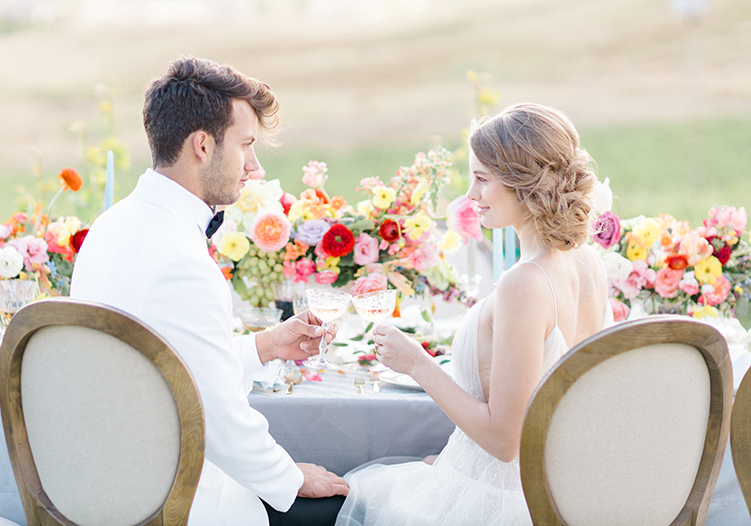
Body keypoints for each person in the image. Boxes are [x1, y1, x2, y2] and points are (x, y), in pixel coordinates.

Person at [71, 56, 350, 526]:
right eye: (245, 145)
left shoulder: (111, 226)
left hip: (103, 490)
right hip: (177, 503)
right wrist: (289, 478)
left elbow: (162, 367)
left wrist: (264, 346)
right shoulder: (180, 258)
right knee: (354, 504)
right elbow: (218, 419)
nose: (255, 167)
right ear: (202, 145)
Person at [336, 103, 614, 526]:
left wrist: (416, 363)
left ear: (526, 182)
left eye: (482, 179)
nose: (469, 195)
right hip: (562, 484)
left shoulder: (525, 283)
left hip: (508, 499)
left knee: (348, 492)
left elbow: (504, 441)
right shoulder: (586, 261)